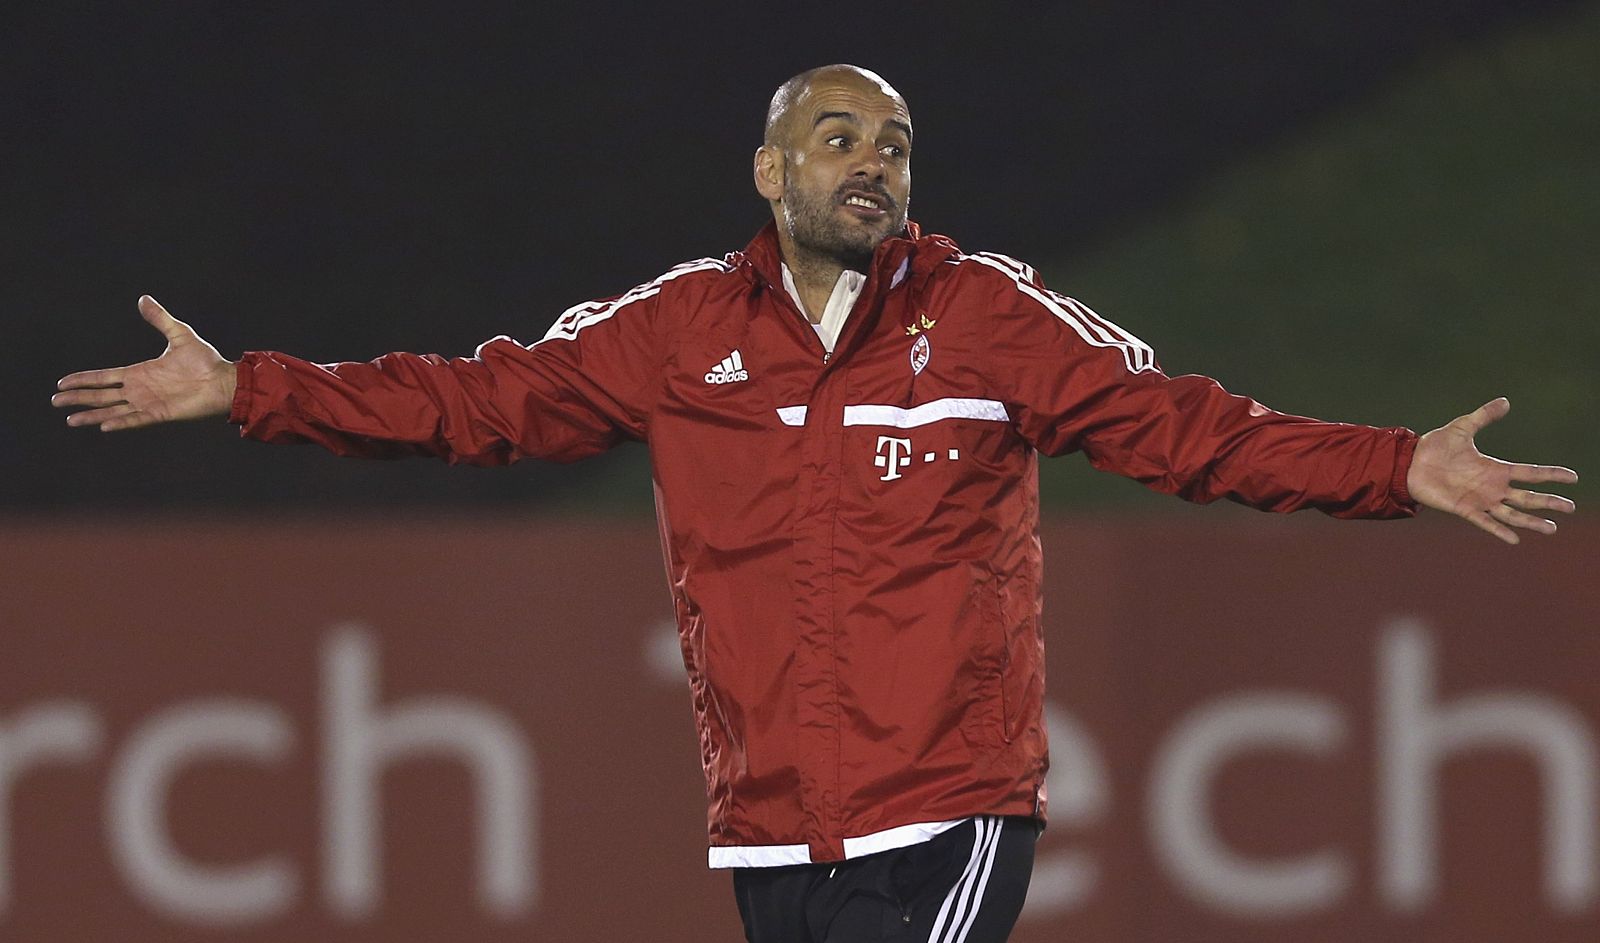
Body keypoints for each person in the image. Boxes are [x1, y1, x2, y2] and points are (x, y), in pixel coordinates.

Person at [53, 64, 1576, 943]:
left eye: (896, 144)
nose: (873, 162)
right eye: (839, 137)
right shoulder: (677, 329)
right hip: (772, 826)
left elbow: (1180, 428)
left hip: (948, 800)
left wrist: (1394, 468)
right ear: (770, 165)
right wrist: (249, 385)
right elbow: (481, 401)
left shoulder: (987, 318)